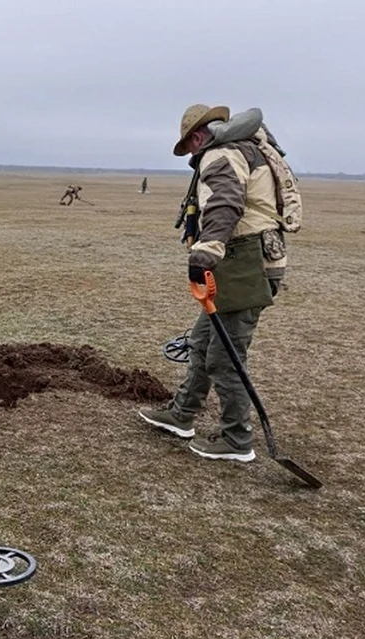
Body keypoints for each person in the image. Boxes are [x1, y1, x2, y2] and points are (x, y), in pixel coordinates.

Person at [137, 104, 287, 462]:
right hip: (238, 261)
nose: (189, 152)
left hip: (244, 264)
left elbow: (224, 204)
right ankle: (182, 414)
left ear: (198, 136)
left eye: (188, 144)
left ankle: (237, 439)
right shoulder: (241, 150)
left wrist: (205, 252)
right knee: (203, 342)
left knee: (224, 357)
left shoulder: (222, 154)